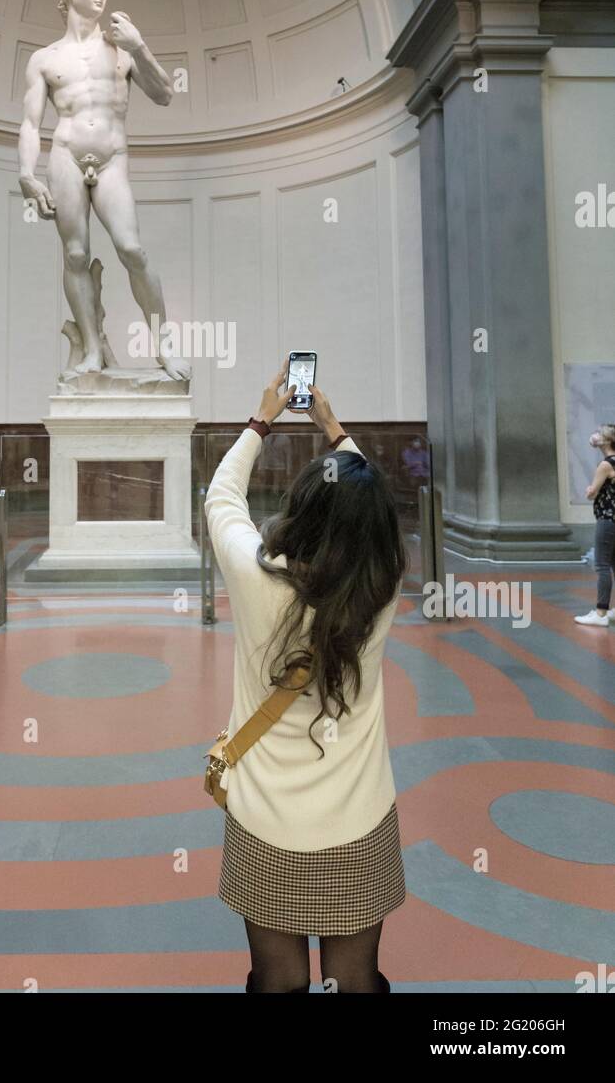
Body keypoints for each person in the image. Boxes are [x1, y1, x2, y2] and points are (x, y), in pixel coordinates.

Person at [204, 360, 407, 993]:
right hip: (359, 816)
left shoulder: (256, 576)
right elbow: (368, 501)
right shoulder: (383, 583)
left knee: (278, 980)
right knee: (357, 977)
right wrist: (333, 427)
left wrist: (262, 420)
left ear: (302, 508)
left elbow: (220, 496)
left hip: (266, 817)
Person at [17, 0, 190, 381]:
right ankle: (92, 350)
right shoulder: (44, 59)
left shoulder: (122, 49)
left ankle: (163, 345)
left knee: (132, 248)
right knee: (75, 254)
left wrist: (139, 46)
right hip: (65, 154)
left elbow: (165, 94)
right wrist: (26, 174)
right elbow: (30, 122)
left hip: (112, 157)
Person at [575, 425, 615, 626]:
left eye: (600, 433)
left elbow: (593, 492)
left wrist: (590, 490)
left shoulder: (605, 465)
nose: (595, 436)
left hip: (607, 520)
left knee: (602, 565)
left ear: (607, 440)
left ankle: (600, 612)